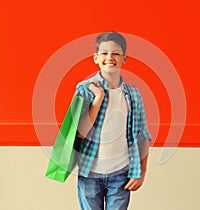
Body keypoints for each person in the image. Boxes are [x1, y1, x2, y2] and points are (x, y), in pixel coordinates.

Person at [74, 31, 152, 210]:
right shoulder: (85, 89)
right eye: (104, 53)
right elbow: (81, 131)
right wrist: (99, 98)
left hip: (121, 173)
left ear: (124, 58)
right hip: (90, 172)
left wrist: (141, 171)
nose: (110, 57)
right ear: (95, 58)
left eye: (116, 53)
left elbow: (142, 135)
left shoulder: (133, 94)